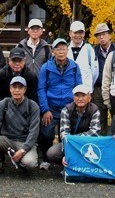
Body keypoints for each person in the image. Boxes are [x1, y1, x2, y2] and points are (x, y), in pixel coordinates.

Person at [37, 38, 82, 169]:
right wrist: (45, 109)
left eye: (63, 49)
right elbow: (41, 89)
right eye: (58, 49)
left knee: (67, 136)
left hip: (69, 108)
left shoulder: (74, 67)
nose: (61, 52)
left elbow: (79, 88)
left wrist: (77, 106)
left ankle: (66, 161)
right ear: (53, 51)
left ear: (67, 50)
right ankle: (46, 159)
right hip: (51, 107)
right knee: (46, 134)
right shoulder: (46, 68)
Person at [0, 76, 40, 176]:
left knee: (30, 163)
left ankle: (21, 166)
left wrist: (23, 150)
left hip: (25, 142)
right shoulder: (4, 103)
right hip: (8, 141)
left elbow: (34, 131)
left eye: (20, 87)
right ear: (10, 89)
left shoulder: (32, 106)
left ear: (25, 89)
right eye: (14, 87)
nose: (17, 90)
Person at [46, 84, 100, 165]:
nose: (80, 99)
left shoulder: (95, 110)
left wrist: (76, 139)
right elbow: (64, 134)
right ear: (73, 98)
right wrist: (68, 152)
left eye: (83, 95)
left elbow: (94, 132)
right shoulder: (66, 110)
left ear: (89, 98)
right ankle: (68, 165)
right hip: (70, 144)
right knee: (52, 153)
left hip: (88, 143)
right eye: (77, 96)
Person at [92, 22, 115, 134]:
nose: (102, 37)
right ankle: (101, 141)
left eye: (104, 34)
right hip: (98, 88)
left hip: (114, 88)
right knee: (99, 119)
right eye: (99, 35)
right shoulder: (94, 51)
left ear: (109, 35)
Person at [67, 20, 99, 89]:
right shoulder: (65, 49)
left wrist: (89, 85)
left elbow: (95, 72)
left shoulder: (89, 49)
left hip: (85, 90)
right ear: (70, 33)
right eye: (75, 32)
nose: (78, 35)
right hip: (68, 90)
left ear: (84, 34)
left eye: (80, 33)